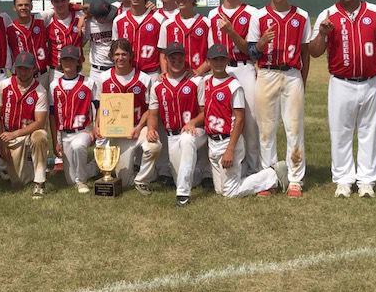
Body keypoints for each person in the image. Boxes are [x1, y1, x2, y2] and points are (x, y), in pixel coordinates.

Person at [309, 0, 376, 198]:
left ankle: (366, 180)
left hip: (371, 82)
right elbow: (314, 52)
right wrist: (322, 34)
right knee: (340, 132)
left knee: (370, 131)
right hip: (341, 83)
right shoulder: (327, 15)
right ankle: (343, 180)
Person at [247, 0, 311, 198]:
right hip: (266, 72)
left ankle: (295, 179)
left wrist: (303, 80)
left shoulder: (301, 16)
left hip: (292, 73)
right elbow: (252, 52)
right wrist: (262, 43)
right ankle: (268, 178)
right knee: (266, 129)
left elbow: (305, 52)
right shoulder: (259, 16)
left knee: (294, 128)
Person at [203, 44, 288, 198]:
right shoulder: (206, 81)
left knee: (229, 192)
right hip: (213, 143)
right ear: (208, 62)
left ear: (228, 60)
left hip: (228, 141)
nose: (219, 63)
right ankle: (257, 178)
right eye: (215, 59)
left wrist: (230, 149)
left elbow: (240, 119)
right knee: (220, 190)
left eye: (222, 59)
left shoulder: (234, 85)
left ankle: (272, 173)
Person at [208, 0, 261, 178]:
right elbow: (212, 50)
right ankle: (233, 166)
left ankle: (255, 167)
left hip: (244, 66)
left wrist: (231, 32)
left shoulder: (251, 13)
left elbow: (252, 51)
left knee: (250, 119)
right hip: (222, 69)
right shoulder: (213, 15)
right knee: (222, 117)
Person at [95, 39, 162, 195]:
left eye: (124, 54)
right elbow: (102, 106)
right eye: (117, 54)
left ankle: (142, 180)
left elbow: (150, 110)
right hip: (117, 132)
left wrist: (139, 127)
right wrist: (98, 125)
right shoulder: (103, 78)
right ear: (112, 56)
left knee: (154, 146)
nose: (120, 58)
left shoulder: (144, 79)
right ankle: (136, 171)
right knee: (123, 182)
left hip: (138, 128)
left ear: (131, 55)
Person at [147, 42, 205, 206]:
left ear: (184, 57)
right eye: (172, 57)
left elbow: (205, 111)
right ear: (165, 59)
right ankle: (197, 173)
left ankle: (182, 194)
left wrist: (193, 122)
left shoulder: (196, 80)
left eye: (180, 57)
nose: (176, 61)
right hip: (172, 136)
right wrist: (151, 128)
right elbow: (153, 114)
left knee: (187, 139)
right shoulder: (158, 84)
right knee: (188, 178)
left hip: (196, 131)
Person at [0, 52, 49, 199]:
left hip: (28, 133)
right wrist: (1, 144)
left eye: (27, 69)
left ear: (33, 70)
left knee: (40, 136)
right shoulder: (3, 85)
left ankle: (39, 181)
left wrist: (16, 133)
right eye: (20, 68)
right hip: (9, 136)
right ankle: (32, 165)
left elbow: (40, 122)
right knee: (18, 183)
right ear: (15, 68)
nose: (23, 72)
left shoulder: (40, 91)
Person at [49, 46, 99, 193]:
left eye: (72, 59)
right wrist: (55, 140)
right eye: (65, 59)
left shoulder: (88, 82)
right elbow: (52, 116)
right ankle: (94, 167)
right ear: (60, 61)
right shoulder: (54, 85)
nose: (68, 62)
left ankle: (82, 182)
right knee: (70, 180)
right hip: (64, 133)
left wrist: (95, 128)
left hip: (83, 130)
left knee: (78, 146)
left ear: (78, 62)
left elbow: (98, 107)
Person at [111, 0, 166, 82]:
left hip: (151, 73)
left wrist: (164, 72)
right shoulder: (118, 20)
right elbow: (115, 50)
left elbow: (163, 51)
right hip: (126, 74)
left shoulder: (159, 19)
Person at [158, 0, 210, 76]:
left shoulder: (206, 23)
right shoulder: (167, 24)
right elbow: (163, 53)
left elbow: (212, 54)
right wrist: (165, 72)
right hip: (174, 76)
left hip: (200, 76)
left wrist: (198, 71)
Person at [6, 0, 50, 92]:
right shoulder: (9, 29)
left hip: (41, 76)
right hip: (21, 78)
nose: (23, 7)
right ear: (14, 7)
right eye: (20, 5)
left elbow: (60, 7)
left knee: (43, 107)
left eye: (26, 4)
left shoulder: (41, 20)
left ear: (31, 6)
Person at [45, 0, 87, 83]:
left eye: (63, 0)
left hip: (77, 68)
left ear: (68, 1)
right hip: (56, 71)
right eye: (57, 1)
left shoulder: (79, 16)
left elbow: (92, 9)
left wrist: (85, 15)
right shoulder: (47, 20)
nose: (60, 4)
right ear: (52, 3)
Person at [84, 0, 117, 85]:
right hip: (97, 70)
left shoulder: (115, 19)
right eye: (104, 17)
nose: (107, 18)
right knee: (96, 98)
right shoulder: (88, 24)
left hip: (115, 68)